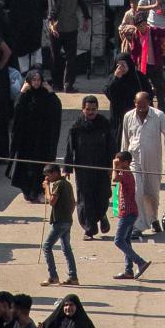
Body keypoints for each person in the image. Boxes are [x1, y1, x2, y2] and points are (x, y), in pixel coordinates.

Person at [119, 91, 165, 235]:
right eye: (138, 105)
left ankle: (153, 219)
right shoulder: (128, 116)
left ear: (149, 103)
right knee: (137, 193)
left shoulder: (158, 115)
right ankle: (138, 227)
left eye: (144, 105)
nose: (141, 108)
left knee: (152, 194)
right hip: (133, 161)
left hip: (153, 161)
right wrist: (121, 162)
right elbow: (125, 140)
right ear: (134, 103)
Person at [63, 96, 113, 242]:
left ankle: (101, 215)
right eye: (88, 109)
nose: (91, 112)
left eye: (93, 109)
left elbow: (111, 145)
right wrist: (67, 168)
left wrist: (113, 166)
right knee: (85, 199)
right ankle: (89, 229)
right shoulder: (76, 126)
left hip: (101, 167)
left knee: (103, 196)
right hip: (83, 168)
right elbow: (69, 147)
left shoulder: (104, 124)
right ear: (83, 109)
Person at [9, 69, 62, 202]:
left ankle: (38, 192)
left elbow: (56, 109)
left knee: (39, 167)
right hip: (26, 139)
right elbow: (17, 110)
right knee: (26, 167)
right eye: (34, 80)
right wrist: (22, 92)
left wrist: (50, 91)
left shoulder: (45, 95)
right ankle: (28, 192)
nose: (36, 83)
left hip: (42, 138)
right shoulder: (26, 95)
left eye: (38, 80)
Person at [110, 152, 150, 281]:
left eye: (119, 161)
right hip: (128, 212)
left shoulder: (126, 174)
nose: (117, 163)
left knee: (118, 240)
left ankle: (140, 262)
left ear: (126, 163)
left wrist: (114, 166)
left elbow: (114, 179)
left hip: (128, 213)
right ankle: (128, 270)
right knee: (126, 241)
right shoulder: (125, 173)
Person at [40, 166, 78, 288]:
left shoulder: (58, 184)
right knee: (66, 248)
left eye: (49, 175)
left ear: (55, 173)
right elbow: (73, 203)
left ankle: (53, 276)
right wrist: (68, 215)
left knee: (46, 246)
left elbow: (51, 201)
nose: (48, 178)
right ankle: (73, 276)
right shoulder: (67, 184)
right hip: (67, 220)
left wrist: (46, 188)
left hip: (60, 221)